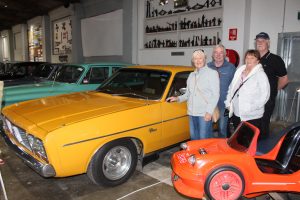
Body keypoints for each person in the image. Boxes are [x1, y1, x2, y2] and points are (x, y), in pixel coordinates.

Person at [167, 50, 219, 140]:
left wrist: (209, 112)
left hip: (204, 113)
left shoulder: (212, 73)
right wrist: (177, 98)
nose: (198, 61)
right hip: (192, 113)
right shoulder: (191, 75)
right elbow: (188, 94)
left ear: (205, 59)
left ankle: (204, 155)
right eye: (195, 59)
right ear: (193, 61)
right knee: (194, 138)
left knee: (203, 140)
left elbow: (215, 95)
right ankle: (195, 154)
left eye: (200, 58)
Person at [225, 50, 270, 136]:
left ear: (257, 61)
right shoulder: (239, 71)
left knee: (248, 142)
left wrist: (250, 108)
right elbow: (231, 88)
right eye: (247, 57)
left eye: (252, 58)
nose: (249, 60)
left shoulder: (261, 75)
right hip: (237, 114)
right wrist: (228, 103)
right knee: (237, 140)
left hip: (252, 116)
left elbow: (265, 95)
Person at [255, 32, 289, 139]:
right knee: (253, 125)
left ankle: (262, 152)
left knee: (263, 125)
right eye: (257, 40)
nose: (259, 42)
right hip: (252, 99)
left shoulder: (275, 59)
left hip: (267, 100)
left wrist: (272, 91)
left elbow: (284, 79)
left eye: (262, 40)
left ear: (268, 43)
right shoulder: (252, 59)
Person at [208, 44, 236, 138]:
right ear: (212, 54)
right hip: (210, 104)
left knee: (222, 128)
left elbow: (235, 86)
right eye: (216, 52)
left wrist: (231, 103)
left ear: (224, 54)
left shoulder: (231, 68)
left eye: (221, 52)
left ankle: (222, 149)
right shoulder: (207, 67)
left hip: (224, 104)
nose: (218, 55)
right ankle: (210, 148)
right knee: (208, 128)